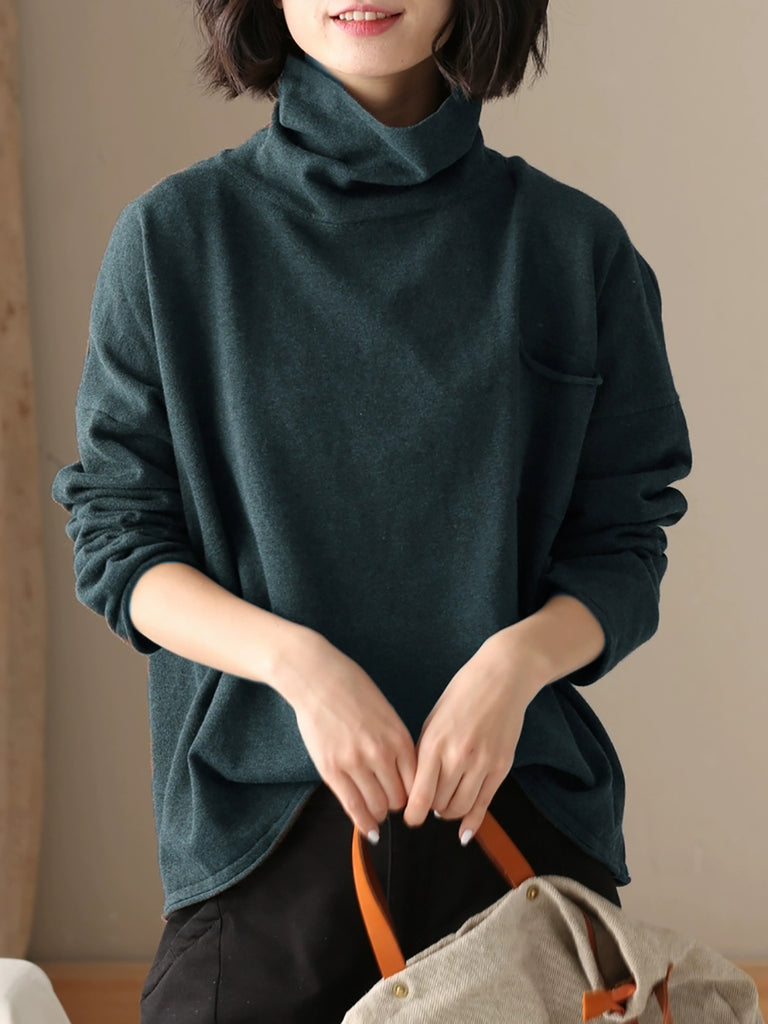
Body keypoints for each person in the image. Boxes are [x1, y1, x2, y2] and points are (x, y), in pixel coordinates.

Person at [51, 0, 692, 1020]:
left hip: (515, 831)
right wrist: (299, 668)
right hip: (258, 847)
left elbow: (624, 543)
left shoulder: (573, 248)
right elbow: (118, 539)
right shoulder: (175, 240)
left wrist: (511, 666)